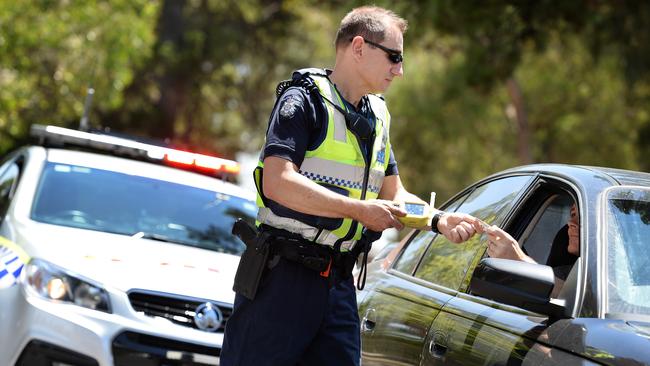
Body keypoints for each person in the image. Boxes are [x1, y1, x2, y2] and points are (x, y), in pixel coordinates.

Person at [220, 6, 478, 366]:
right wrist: (358, 210)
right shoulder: (302, 100)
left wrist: (438, 220)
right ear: (359, 47)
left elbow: (395, 196)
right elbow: (278, 182)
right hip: (283, 281)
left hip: (338, 285)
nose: (399, 70)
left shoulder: (378, 117)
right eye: (393, 57)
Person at [475, 203, 579, 297]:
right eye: (573, 214)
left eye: (584, 216)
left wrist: (519, 260)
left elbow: (579, 304)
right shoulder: (563, 274)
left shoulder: (589, 279)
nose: (570, 222)